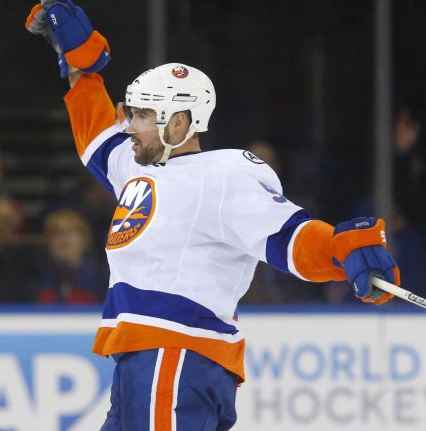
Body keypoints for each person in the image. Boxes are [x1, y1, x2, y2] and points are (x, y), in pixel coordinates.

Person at [25, 1, 401, 429]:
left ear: (180, 124)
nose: (129, 125)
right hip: (144, 359)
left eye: (143, 115)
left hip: (176, 355)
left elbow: (287, 237)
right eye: (131, 113)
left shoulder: (222, 177)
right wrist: (82, 65)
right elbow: (95, 134)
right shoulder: (138, 165)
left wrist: (342, 250)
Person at [31, 208, 107, 304]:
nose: (64, 236)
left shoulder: (103, 278)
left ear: (85, 239)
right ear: (48, 241)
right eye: (56, 232)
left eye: (71, 231)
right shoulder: (36, 279)